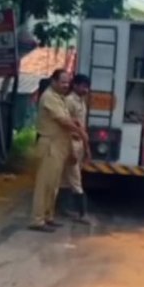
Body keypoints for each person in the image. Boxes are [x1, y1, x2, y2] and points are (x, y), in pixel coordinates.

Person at [29, 69, 80, 232]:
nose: (66, 85)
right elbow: (63, 121)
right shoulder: (49, 97)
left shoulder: (61, 98)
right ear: (53, 81)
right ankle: (37, 220)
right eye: (63, 82)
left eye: (67, 82)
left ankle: (48, 216)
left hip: (60, 145)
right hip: (49, 145)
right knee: (44, 184)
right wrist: (81, 133)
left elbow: (68, 121)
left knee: (53, 185)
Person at [59, 73, 92, 224]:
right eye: (83, 86)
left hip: (79, 143)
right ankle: (83, 213)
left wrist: (86, 149)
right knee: (76, 179)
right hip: (71, 142)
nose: (86, 89)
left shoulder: (81, 102)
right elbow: (65, 126)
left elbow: (82, 127)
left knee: (66, 180)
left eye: (87, 87)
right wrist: (71, 150)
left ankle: (63, 208)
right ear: (76, 85)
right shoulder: (70, 101)